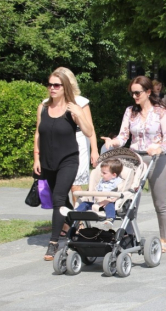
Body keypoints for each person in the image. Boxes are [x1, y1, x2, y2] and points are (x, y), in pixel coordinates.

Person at [102, 76, 166, 253]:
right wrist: (113, 141)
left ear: (148, 92)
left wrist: (159, 149)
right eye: (132, 93)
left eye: (137, 92)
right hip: (134, 160)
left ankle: (164, 239)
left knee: (160, 203)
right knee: (130, 201)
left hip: (156, 160)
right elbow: (123, 136)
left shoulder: (161, 112)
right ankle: (130, 237)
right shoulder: (130, 111)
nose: (134, 96)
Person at [33, 70, 94, 261]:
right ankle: (78, 225)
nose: (52, 88)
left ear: (64, 87)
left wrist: (79, 115)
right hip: (48, 161)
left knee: (58, 198)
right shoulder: (43, 107)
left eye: (56, 85)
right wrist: (36, 157)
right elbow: (38, 133)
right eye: (50, 84)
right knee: (58, 199)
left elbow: (89, 131)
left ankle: (53, 243)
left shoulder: (72, 108)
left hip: (69, 160)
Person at [52, 67, 99, 209]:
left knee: (75, 184)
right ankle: (65, 220)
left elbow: (90, 128)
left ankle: (79, 221)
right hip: (57, 144)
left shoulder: (81, 101)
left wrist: (95, 150)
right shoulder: (49, 102)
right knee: (58, 185)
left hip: (79, 141)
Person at [72, 158, 123, 230]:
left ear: (114, 175)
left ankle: (110, 219)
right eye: (101, 172)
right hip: (97, 202)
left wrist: (109, 200)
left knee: (110, 207)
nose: (101, 175)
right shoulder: (102, 181)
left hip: (108, 202)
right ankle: (76, 212)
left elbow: (119, 193)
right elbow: (96, 190)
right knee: (84, 203)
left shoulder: (117, 182)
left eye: (104, 173)